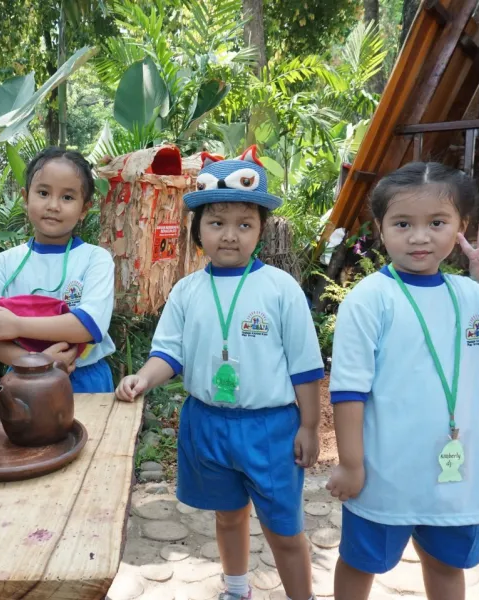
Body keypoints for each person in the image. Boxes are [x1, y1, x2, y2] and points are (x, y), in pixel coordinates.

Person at [116, 147, 324, 600]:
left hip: (270, 428)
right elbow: (168, 354)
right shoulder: (187, 291)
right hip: (207, 423)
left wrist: (309, 425)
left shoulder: (280, 289)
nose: (229, 236)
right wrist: (143, 379)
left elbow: (305, 366)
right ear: (198, 231)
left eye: (244, 225)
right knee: (228, 515)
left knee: (284, 529)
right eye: (216, 223)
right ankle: (235, 588)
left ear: (261, 232)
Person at [327, 162, 479, 600]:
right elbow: (348, 390)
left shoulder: (470, 294)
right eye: (402, 223)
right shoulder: (369, 299)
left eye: (436, 223)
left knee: (447, 565)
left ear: (461, 227)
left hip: (456, 478)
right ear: (380, 227)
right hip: (384, 473)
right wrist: (352, 464)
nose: (419, 236)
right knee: (360, 562)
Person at [0, 147, 115, 393]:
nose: (53, 205)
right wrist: (36, 363)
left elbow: (89, 325)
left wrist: (18, 325)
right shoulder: (5, 263)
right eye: (43, 193)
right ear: (25, 197)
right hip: (23, 377)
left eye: (68, 197)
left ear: (85, 208)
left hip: (84, 379)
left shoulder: (96, 259)